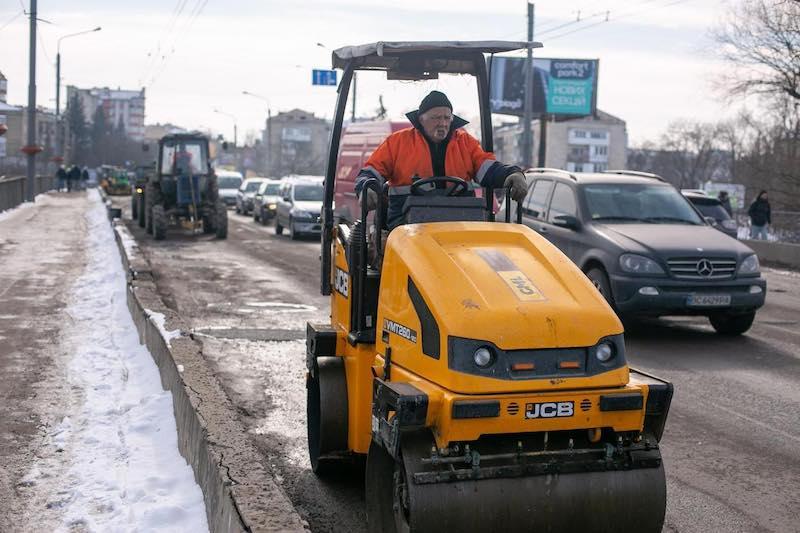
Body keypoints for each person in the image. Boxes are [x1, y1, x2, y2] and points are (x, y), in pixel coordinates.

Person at [354, 90, 527, 229]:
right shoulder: (398, 142)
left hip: (459, 224)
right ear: (421, 120)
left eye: (446, 117)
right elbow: (371, 172)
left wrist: (512, 174)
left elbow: (488, 168)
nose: (442, 123)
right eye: (435, 117)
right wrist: (366, 187)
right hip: (407, 226)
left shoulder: (465, 142)